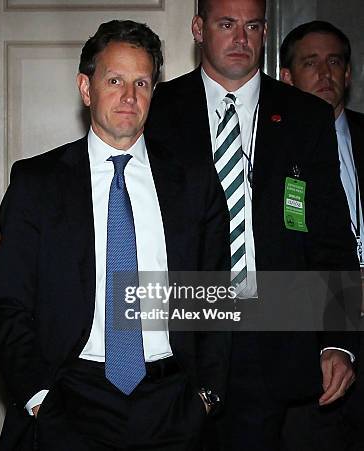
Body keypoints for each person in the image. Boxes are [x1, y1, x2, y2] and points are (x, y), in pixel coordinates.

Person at [0, 19, 231, 451]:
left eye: (142, 82)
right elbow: (9, 307)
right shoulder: (37, 183)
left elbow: (214, 296)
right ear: (86, 88)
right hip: (71, 400)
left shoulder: (194, 182)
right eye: (115, 79)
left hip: (172, 404)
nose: (129, 96)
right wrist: (40, 399)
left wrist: (206, 397)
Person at [145, 1, 360, 450]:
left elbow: (332, 237)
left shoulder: (305, 116)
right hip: (179, 340)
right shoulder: (155, 110)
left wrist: (338, 340)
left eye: (253, 26)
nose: (242, 39)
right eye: (227, 25)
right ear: (199, 29)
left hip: (273, 341)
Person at [280, 20, 364, 451]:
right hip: (313, 350)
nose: (325, 73)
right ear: (287, 77)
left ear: (348, 74)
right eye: (310, 63)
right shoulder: (271, 152)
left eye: (334, 62)